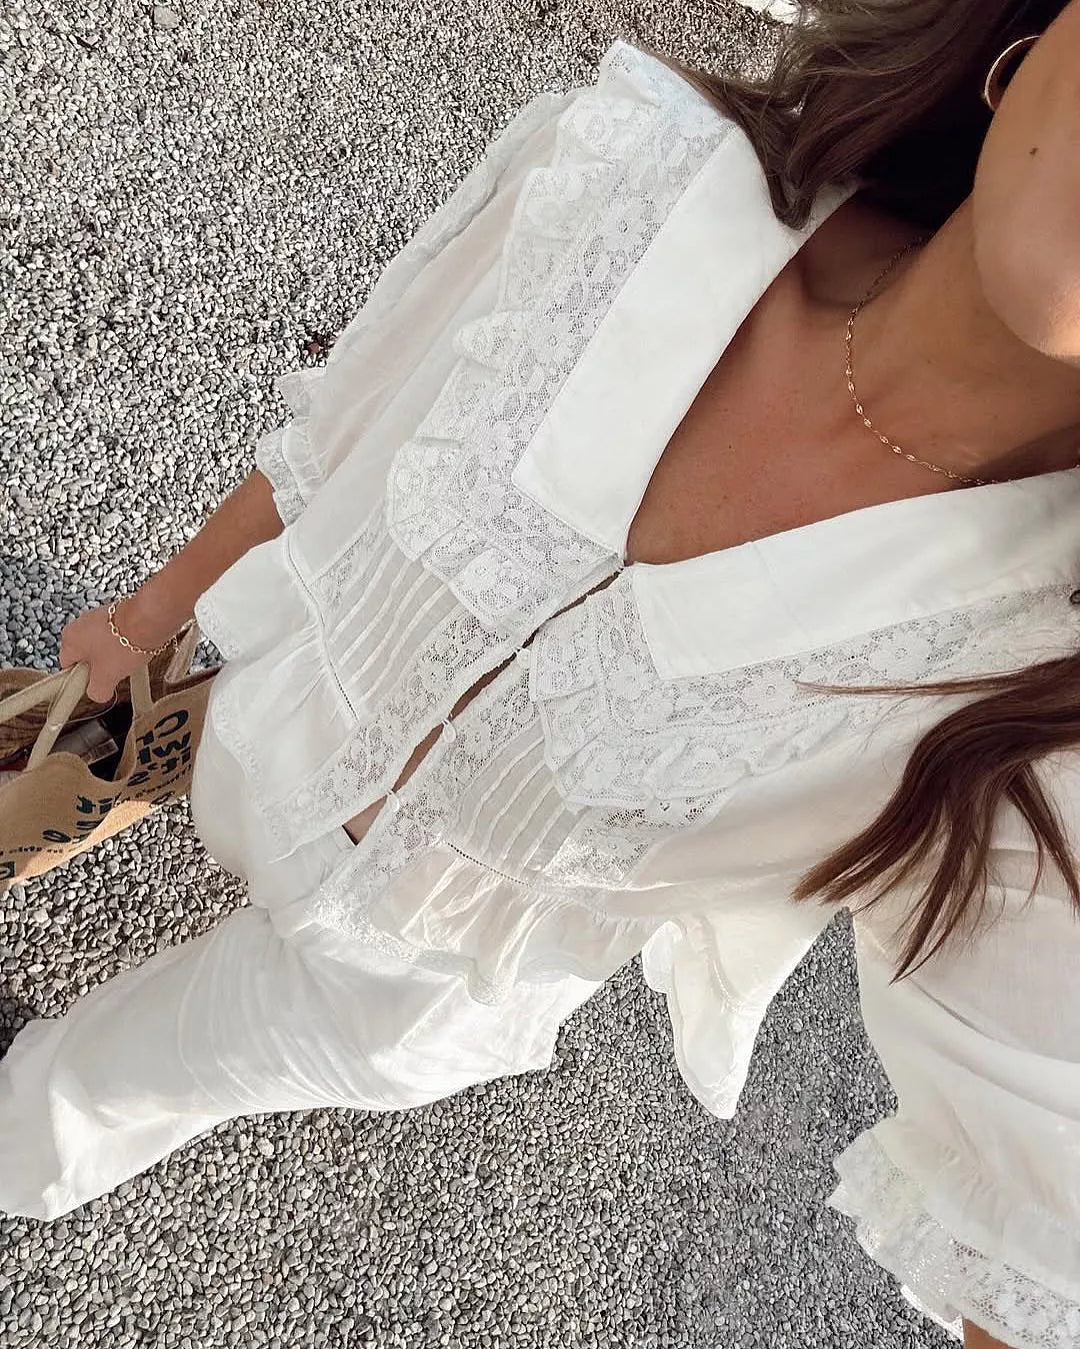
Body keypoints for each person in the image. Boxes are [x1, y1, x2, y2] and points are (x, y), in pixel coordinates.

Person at [3, 1, 1079, 1343]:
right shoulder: (634, 167)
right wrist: (147, 618)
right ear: (1033, 38)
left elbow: (1047, 1197)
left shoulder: (1040, 698)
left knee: (102, 1089)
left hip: (401, 990)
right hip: (253, 726)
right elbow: (338, 436)